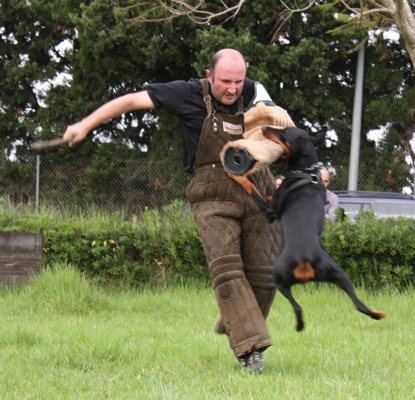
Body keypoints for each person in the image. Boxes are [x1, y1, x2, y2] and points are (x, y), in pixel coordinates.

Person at [62, 48, 295, 372]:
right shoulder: (187, 93)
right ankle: (250, 351)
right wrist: (85, 125)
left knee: (267, 274)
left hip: (258, 187)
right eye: (225, 81)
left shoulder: (256, 92)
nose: (232, 89)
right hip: (211, 194)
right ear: (210, 76)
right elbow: (131, 101)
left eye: (238, 81)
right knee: (226, 271)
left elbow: (281, 126)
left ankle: (237, 318)